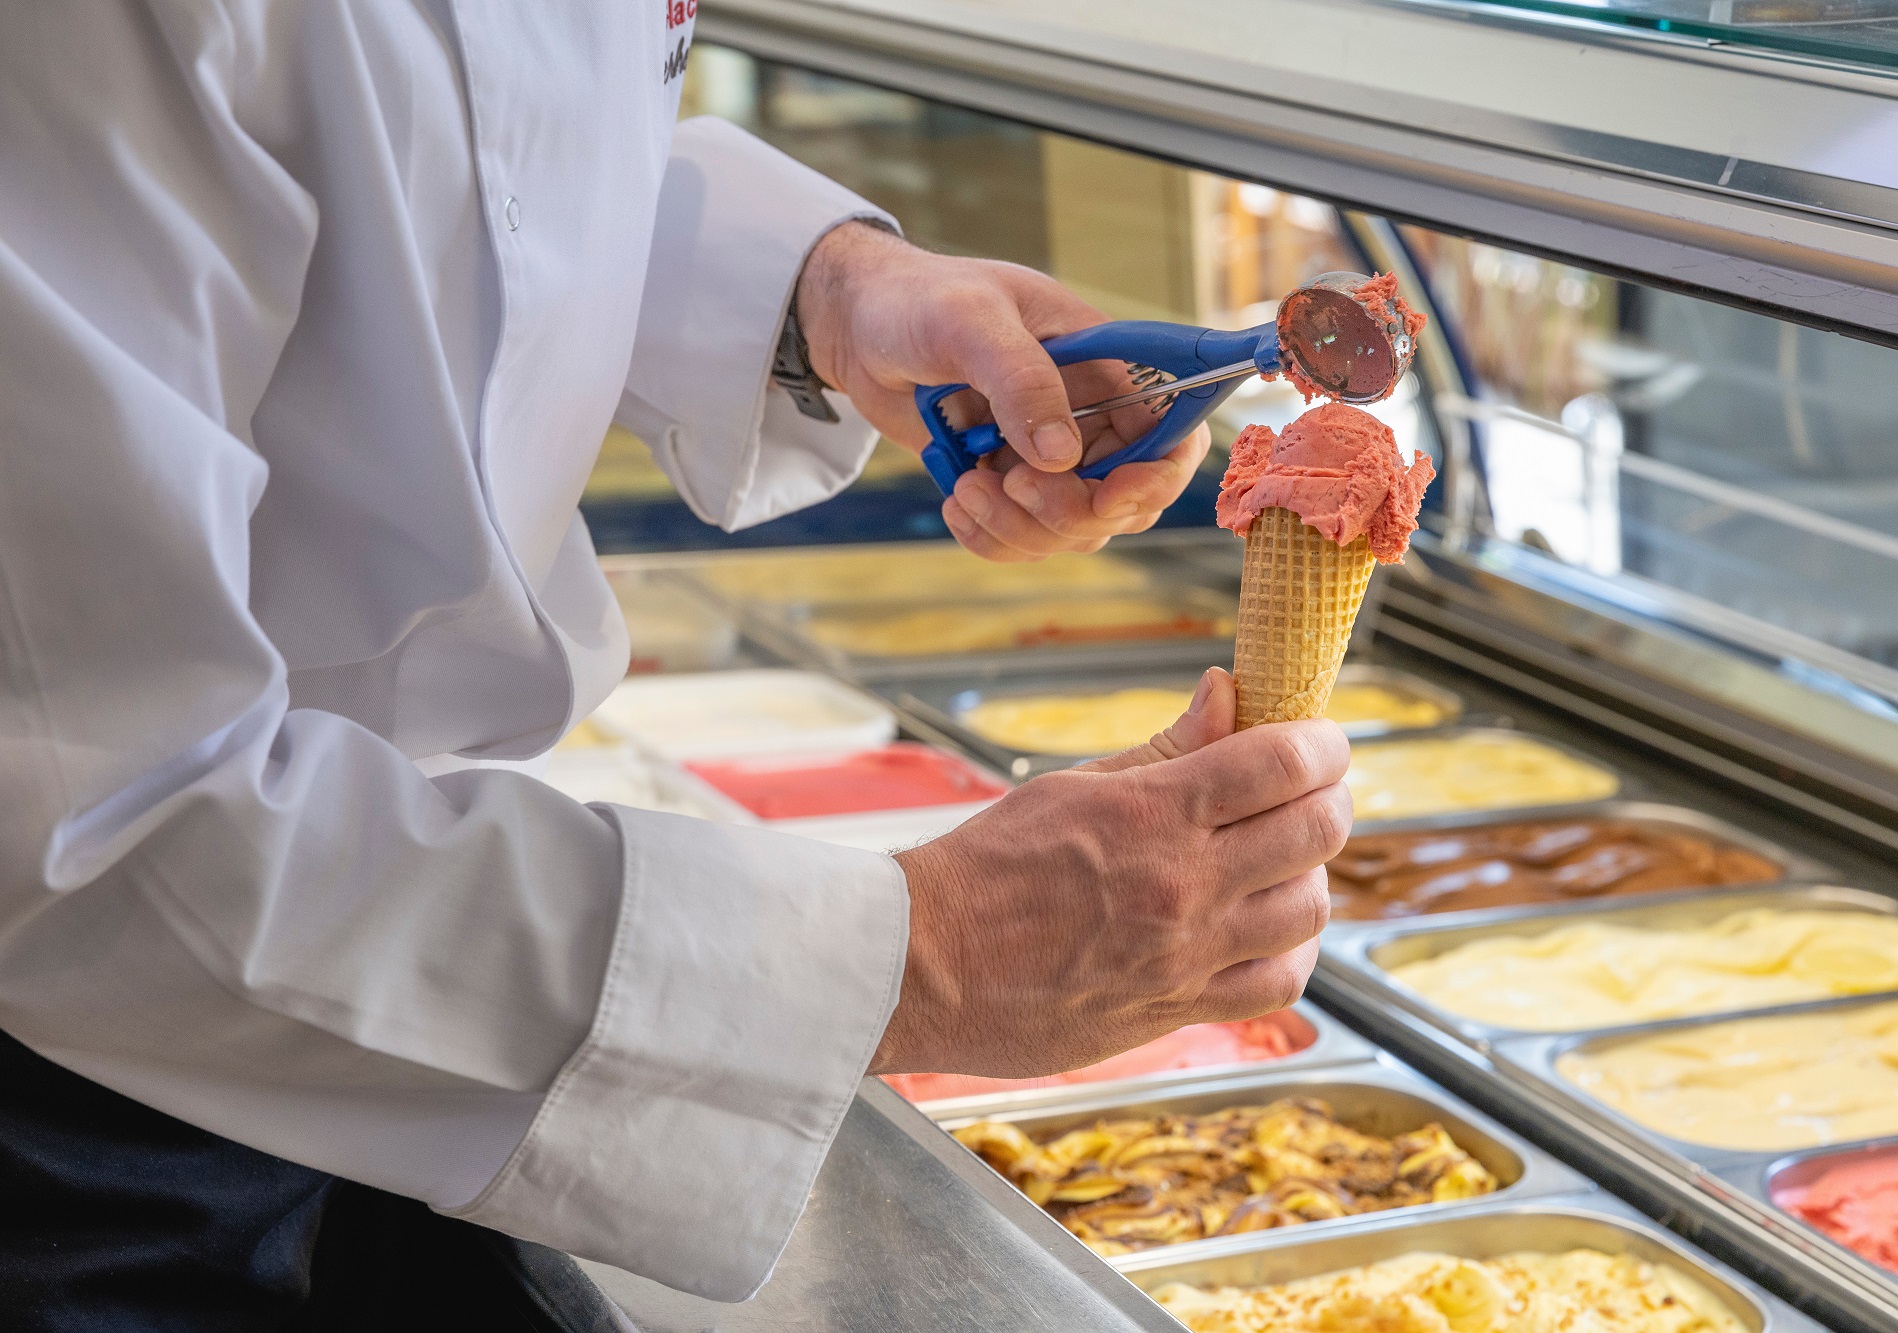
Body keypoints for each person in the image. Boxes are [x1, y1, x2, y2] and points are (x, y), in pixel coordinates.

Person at [0, 6, 1352, 1328]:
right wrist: (918, 955)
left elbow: (456, 140)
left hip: (397, 926)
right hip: (80, 1094)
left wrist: (821, 295)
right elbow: (85, 823)